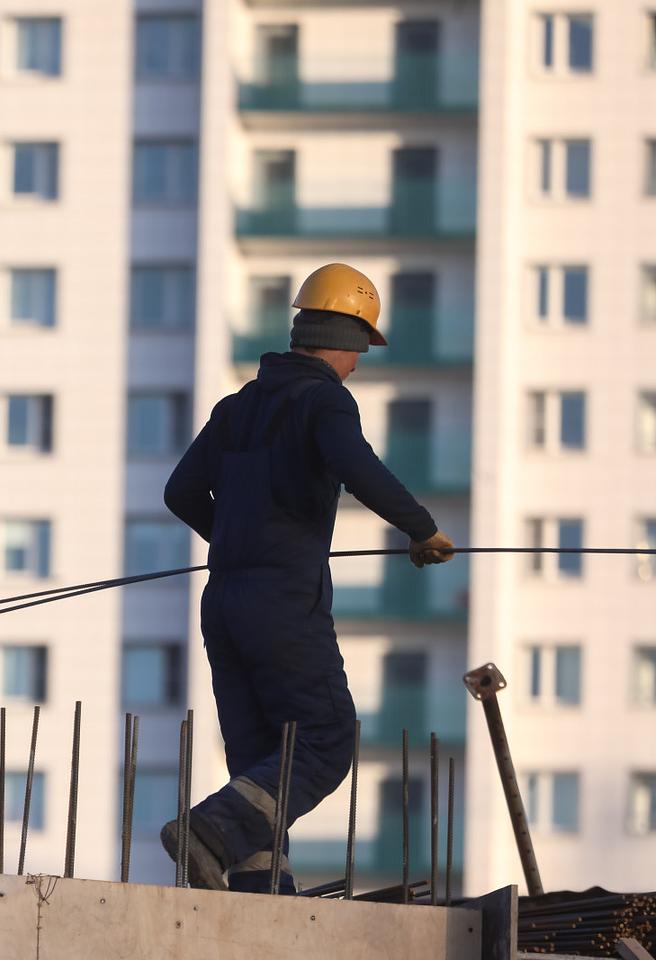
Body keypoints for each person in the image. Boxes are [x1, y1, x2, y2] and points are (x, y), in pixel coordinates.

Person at [160, 263, 454, 893]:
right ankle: (207, 833)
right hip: (283, 603)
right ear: (345, 341)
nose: (358, 365)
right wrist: (422, 529)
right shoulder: (323, 399)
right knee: (322, 741)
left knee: (264, 760)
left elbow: (182, 490)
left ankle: (260, 896)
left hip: (226, 602)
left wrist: (240, 542)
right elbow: (358, 466)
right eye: (360, 351)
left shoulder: (237, 406)